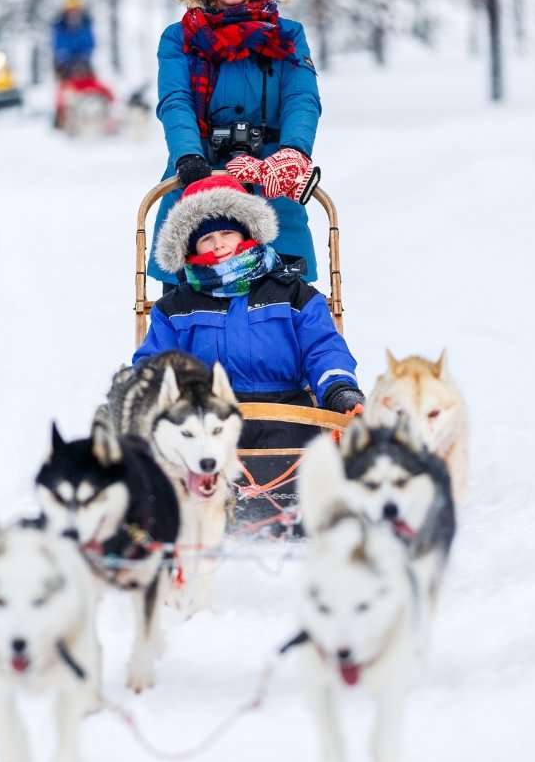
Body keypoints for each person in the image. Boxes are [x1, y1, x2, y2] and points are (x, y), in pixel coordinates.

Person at [135, 174, 365, 517]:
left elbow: (323, 347)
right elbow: (156, 363)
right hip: (209, 419)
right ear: (189, 247)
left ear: (246, 231)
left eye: (227, 232)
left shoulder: (293, 293)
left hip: (288, 411)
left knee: (311, 484)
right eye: (206, 238)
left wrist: (339, 389)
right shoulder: (176, 306)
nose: (219, 244)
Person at [148, 0, 322, 290]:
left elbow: (301, 97)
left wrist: (293, 152)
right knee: (188, 297)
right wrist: (187, 158)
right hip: (198, 173)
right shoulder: (179, 37)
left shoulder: (288, 35)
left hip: (270, 178)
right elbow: (175, 100)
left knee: (288, 300)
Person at [50, 0, 96, 79]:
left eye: (75, 10)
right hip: (65, 63)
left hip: (83, 60)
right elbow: (59, 46)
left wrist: (83, 57)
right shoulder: (60, 26)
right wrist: (66, 59)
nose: (73, 13)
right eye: (71, 11)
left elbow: (89, 43)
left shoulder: (86, 24)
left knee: (88, 74)